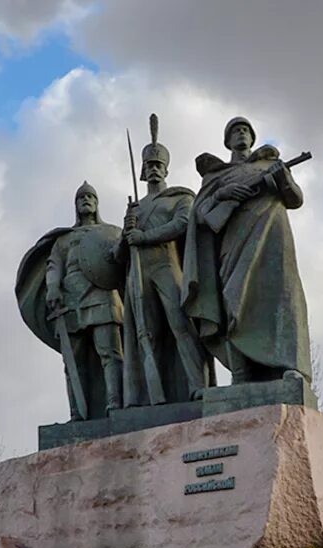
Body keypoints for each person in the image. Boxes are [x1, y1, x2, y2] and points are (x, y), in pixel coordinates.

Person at [182, 116, 312, 384]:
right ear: (227, 141)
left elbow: (295, 199)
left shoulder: (270, 165)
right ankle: (242, 374)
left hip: (274, 242)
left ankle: (288, 366)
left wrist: (284, 179)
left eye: (245, 130)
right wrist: (224, 194)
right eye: (235, 131)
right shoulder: (217, 176)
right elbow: (202, 215)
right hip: (235, 242)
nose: (241, 134)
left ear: (252, 138)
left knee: (281, 300)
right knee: (233, 301)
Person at [120, 114, 212, 406]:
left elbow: (183, 224)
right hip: (138, 272)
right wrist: (127, 233)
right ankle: (151, 396)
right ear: (143, 172)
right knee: (146, 335)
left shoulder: (179, 198)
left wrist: (143, 237)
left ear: (167, 169)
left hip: (166, 265)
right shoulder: (136, 207)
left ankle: (198, 385)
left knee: (181, 325)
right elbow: (121, 250)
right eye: (149, 166)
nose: (154, 170)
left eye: (159, 165)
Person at [15, 182, 124, 419]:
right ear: (76, 205)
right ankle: (78, 414)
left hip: (103, 296)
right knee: (73, 362)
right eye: (81, 197)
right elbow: (53, 265)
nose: (86, 200)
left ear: (97, 204)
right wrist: (53, 287)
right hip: (70, 300)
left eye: (90, 197)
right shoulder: (64, 240)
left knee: (110, 353)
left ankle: (117, 404)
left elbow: (122, 261)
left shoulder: (112, 233)